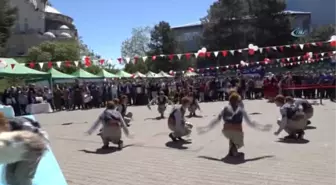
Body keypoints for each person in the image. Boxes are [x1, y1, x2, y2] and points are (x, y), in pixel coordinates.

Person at [197, 93, 271, 157]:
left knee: (231, 137)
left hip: (226, 131)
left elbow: (216, 120)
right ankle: (234, 151)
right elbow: (250, 123)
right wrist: (263, 128)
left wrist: (206, 128)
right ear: (238, 101)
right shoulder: (241, 110)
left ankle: (231, 150)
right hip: (237, 131)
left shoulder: (224, 108)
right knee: (239, 142)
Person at [0, 113, 48, 185]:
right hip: (16, 150)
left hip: (33, 146)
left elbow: (37, 141)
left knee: (22, 176)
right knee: (9, 176)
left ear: (4, 124)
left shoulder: (22, 126)